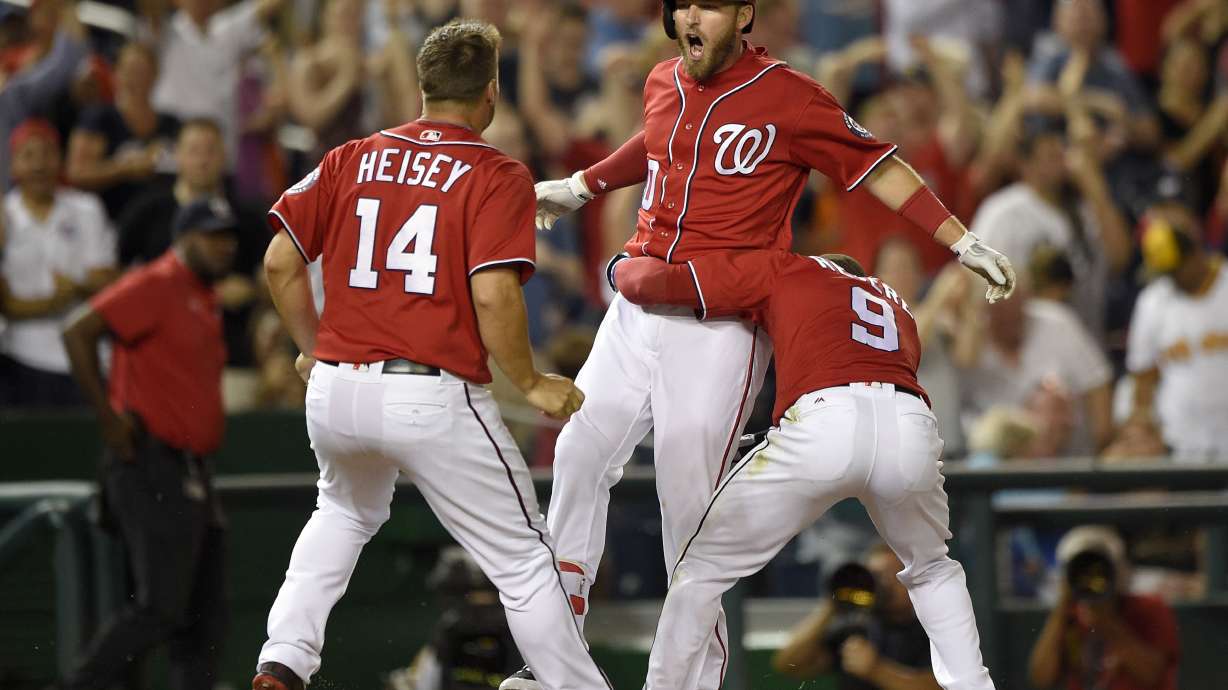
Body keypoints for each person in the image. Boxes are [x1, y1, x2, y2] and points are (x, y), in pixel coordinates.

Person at [509, 2, 1014, 687]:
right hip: (635, 309)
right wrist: (580, 185)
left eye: (709, 6)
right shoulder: (665, 79)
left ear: (744, 14)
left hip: (718, 325)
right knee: (578, 450)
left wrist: (960, 239)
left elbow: (878, 166)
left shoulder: (792, 96)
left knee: (690, 526)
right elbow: (659, 142)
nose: (692, 16)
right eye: (681, 4)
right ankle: (557, 665)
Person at [252, 20, 609, 690]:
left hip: (338, 391)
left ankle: (284, 659)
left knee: (341, 512)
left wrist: (313, 351)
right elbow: (495, 294)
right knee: (524, 561)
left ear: (422, 86)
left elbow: (279, 263)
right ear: (491, 93)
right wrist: (529, 382)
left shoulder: (351, 155)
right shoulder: (495, 170)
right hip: (428, 392)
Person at [608, 250, 995, 690]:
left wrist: (622, 269)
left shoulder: (793, 272)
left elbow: (679, 284)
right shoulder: (896, 304)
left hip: (824, 420)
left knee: (700, 565)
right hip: (909, 426)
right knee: (931, 568)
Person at [55, 199, 238, 690]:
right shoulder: (158, 282)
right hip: (149, 463)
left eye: (228, 236)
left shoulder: (204, 295)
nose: (225, 246)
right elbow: (77, 332)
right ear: (183, 238)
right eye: (212, 235)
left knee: (204, 620)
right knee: (160, 608)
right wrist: (109, 419)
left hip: (192, 470)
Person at [0, 119, 116, 408]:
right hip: (22, 357)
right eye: (28, 155)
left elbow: (108, 283)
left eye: (47, 153)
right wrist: (56, 301)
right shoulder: (4, 217)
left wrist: (76, 287)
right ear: (12, 166)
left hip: (88, 357)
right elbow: (6, 304)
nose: (39, 164)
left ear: (61, 159)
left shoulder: (87, 208)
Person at [1108, 210, 1228, 462]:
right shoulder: (1153, 301)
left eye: (1177, 269)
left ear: (1195, 252)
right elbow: (1143, 379)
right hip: (1181, 444)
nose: (1173, 277)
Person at [1027, 527, 1180, 690]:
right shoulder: (1068, 614)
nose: (1091, 580)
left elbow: (1153, 677)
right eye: (1082, 571)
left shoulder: (1150, 609)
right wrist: (1061, 607)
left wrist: (1108, 624)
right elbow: (1041, 678)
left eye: (1099, 571)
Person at [773, 544, 940, 690]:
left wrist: (876, 670)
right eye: (875, 576)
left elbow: (939, 686)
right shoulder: (855, 629)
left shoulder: (930, 630)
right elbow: (789, 664)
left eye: (891, 576)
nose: (882, 584)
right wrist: (834, 603)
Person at [66, 42, 180, 220]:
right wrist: (125, 168)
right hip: (110, 219)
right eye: (130, 71)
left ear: (156, 75)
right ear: (116, 74)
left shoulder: (172, 123)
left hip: (162, 220)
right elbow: (77, 173)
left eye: (143, 72)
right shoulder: (99, 118)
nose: (136, 79)